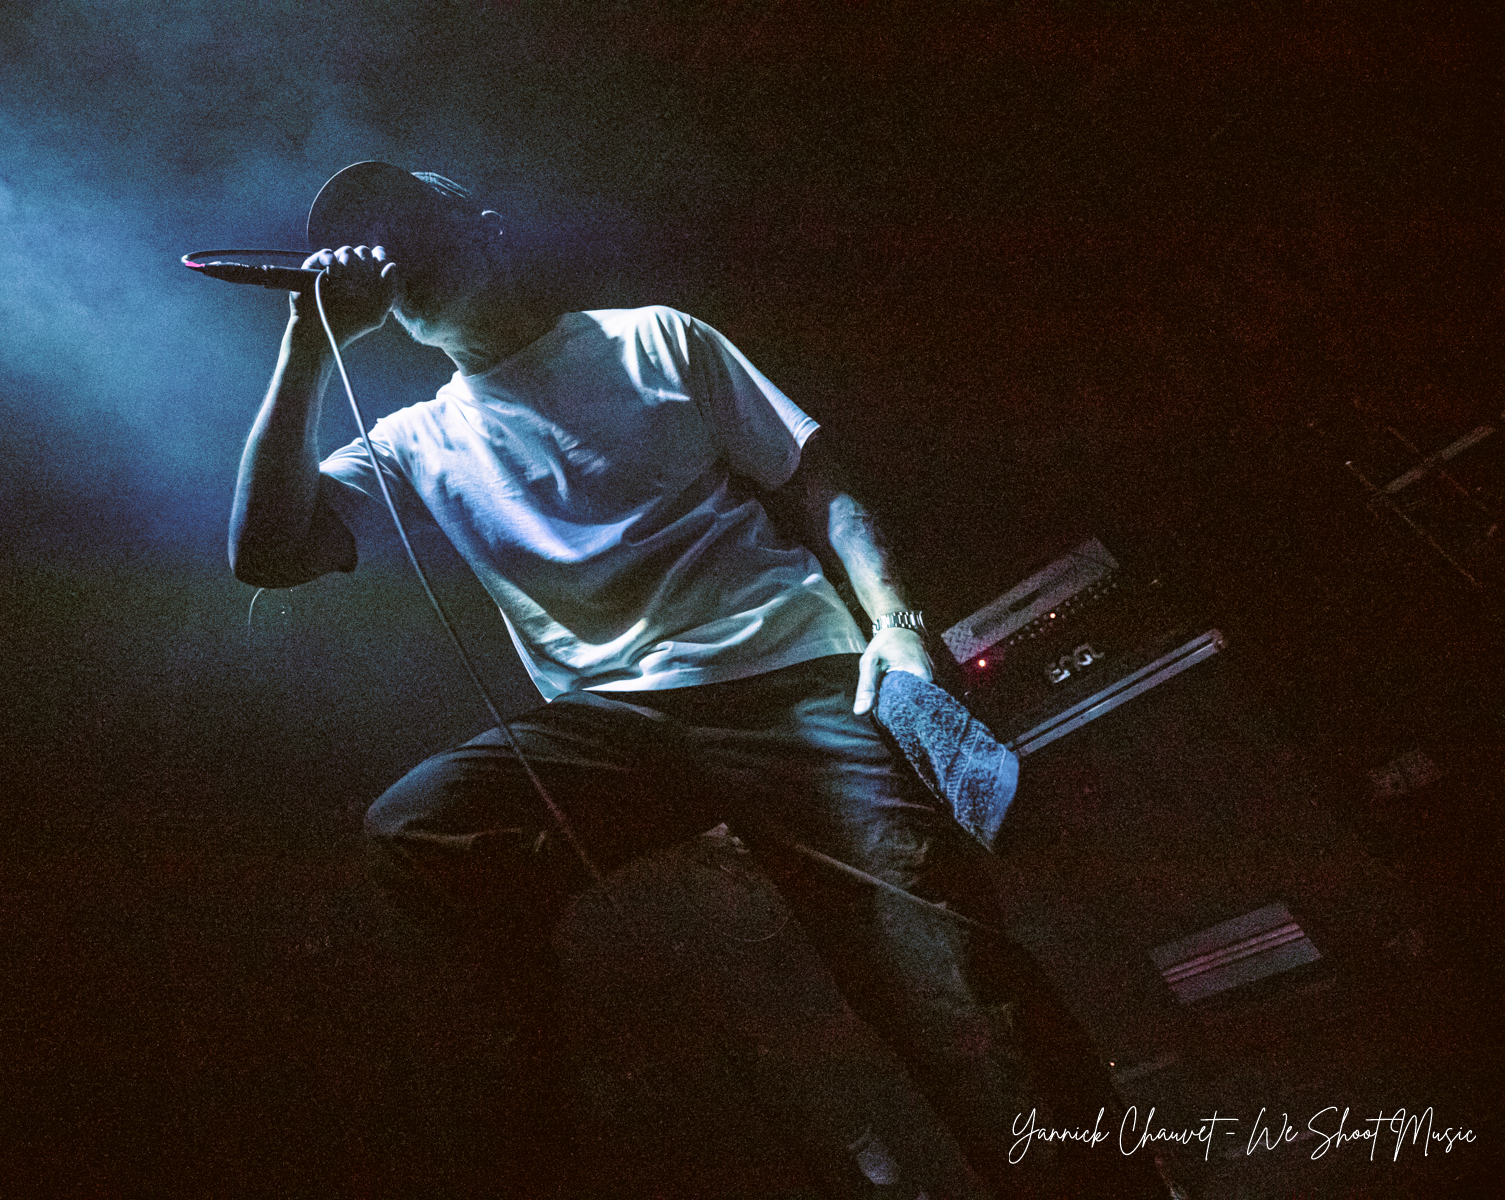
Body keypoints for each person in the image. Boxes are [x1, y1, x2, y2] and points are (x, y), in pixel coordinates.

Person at [229, 162, 1171, 1199]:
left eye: (406, 222)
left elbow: (819, 479)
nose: (386, 249)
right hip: (618, 723)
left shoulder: (653, 338)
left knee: (950, 979)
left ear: (486, 230)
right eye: (366, 240)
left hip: (788, 681)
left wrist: (897, 627)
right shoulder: (415, 440)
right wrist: (307, 346)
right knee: (422, 829)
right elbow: (265, 552)